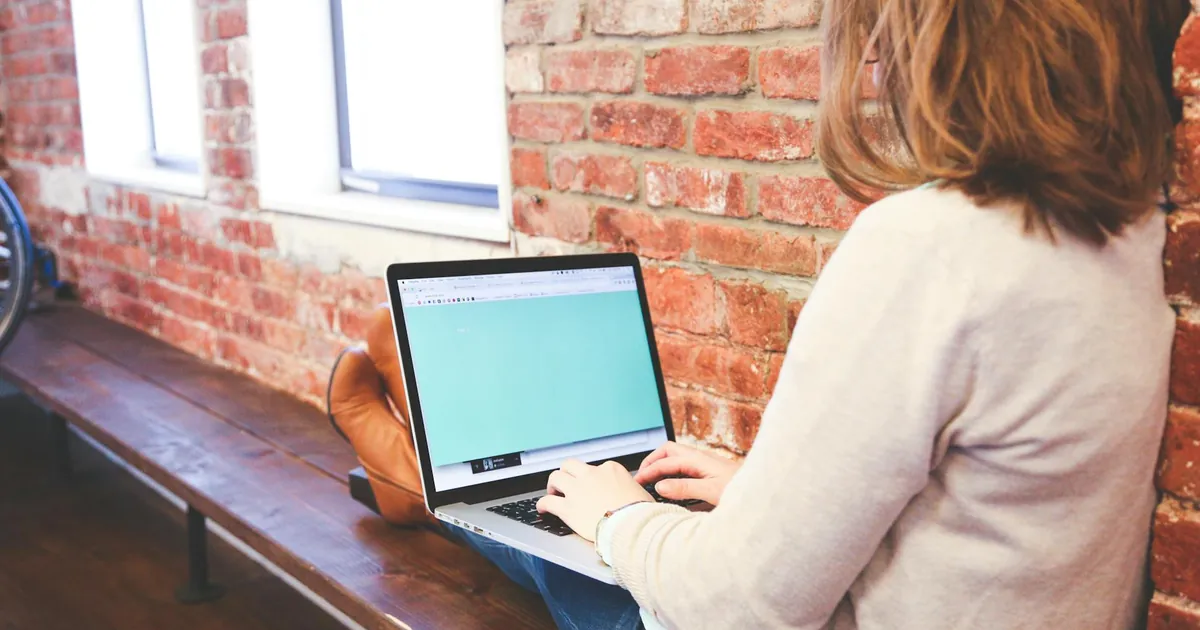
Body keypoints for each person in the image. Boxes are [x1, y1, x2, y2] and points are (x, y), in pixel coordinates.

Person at [328, 0, 1192, 627]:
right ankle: (430, 475)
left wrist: (619, 515)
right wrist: (767, 497)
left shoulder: (930, 248)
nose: (876, 59)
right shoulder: (1139, 240)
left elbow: (743, 606)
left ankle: (412, 476)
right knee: (604, 504)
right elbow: (989, 516)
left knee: (568, 535)